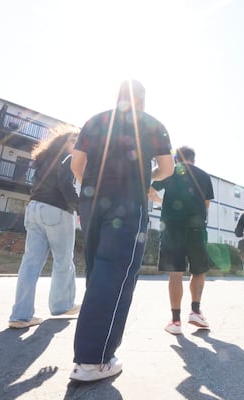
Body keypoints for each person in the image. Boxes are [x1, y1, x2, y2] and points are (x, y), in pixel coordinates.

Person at [70, 79, 174, 382]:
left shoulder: (95, 121)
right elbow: (167, 169)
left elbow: (77, 164)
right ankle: (93, 360)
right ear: (143, 99)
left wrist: (90, 188)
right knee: (114, 273)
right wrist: (147, 180)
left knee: (96, 272)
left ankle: (92, 352)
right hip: (128, 202)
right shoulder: (153, 124)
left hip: (90, 201)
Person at [8, 127, 80, 329]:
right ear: (65, 143)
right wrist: (81, 208)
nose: (78, 145)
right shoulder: (66, 158)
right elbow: (66, 186)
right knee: (63, 260)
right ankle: (61, 305)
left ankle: (20, 316)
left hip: (33, 209)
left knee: (30, 263)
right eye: (75, 140)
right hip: (56, 211)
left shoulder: (43, 160)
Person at [149, 146, 214, 335]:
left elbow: (150, 192)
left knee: (175, 273)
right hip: (196, 228)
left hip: (171, 227)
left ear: (176, 158)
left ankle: (175, 321)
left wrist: (163, 202)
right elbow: (207, 204)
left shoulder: (170, 171)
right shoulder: (204, 176)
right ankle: (195, 311)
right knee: (199, 270)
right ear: (194, 158)